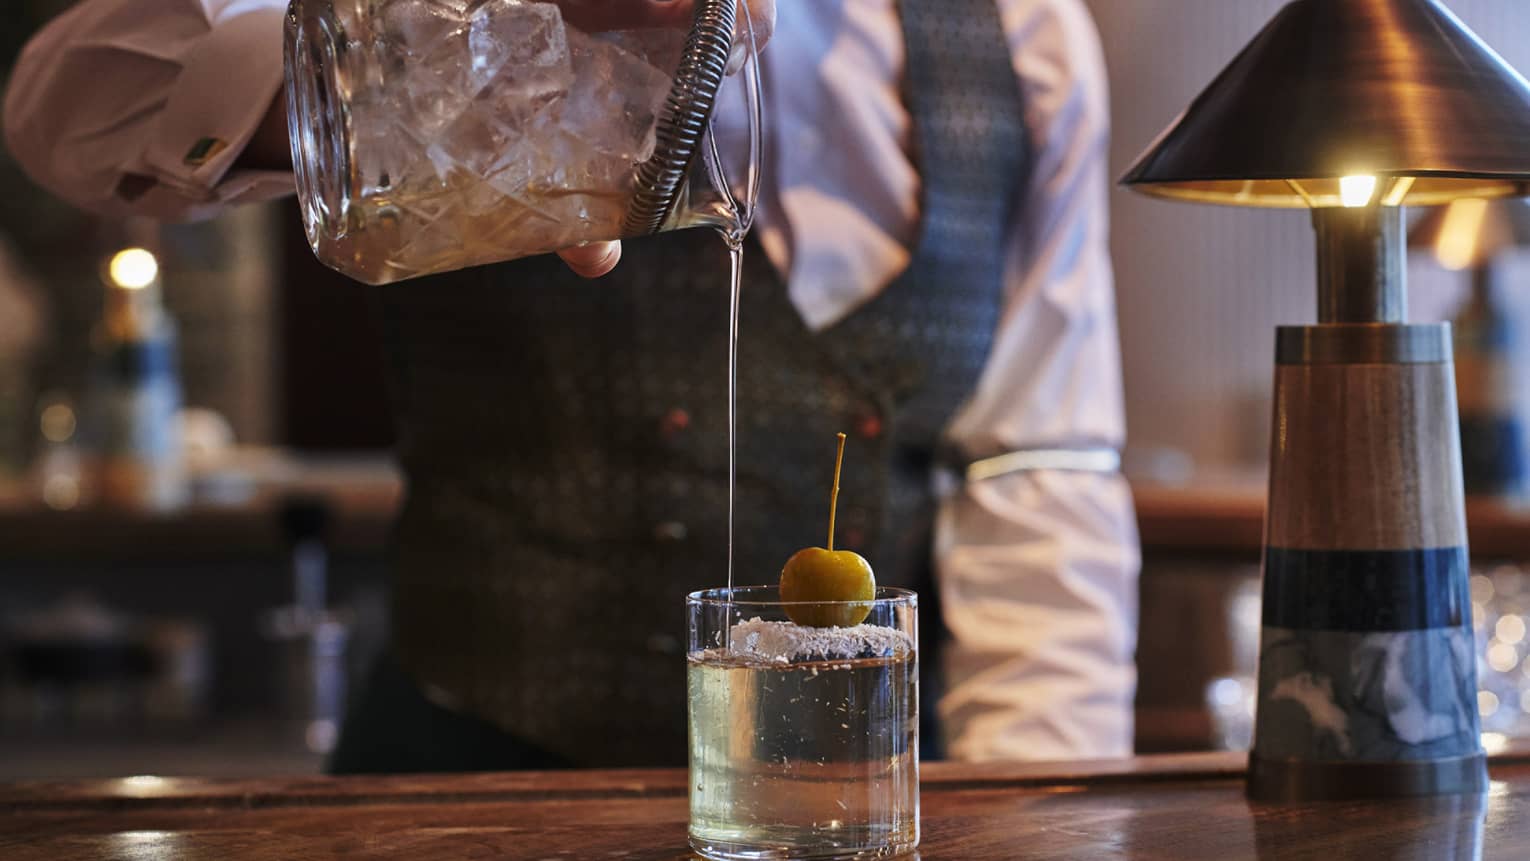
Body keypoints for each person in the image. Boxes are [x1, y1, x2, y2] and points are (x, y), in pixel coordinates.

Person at [5, 0, 1139, 769]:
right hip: (469, 780)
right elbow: (69, 108)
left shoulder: (1027, 33)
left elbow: (1037, 462)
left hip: (857, 795)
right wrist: (425, 36)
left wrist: (1034, 799)